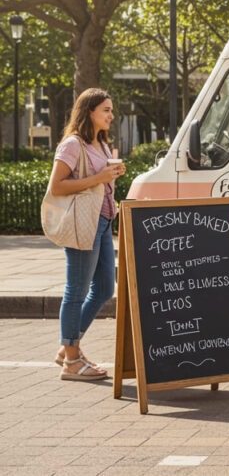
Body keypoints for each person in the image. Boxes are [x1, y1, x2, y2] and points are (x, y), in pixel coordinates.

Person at [48, 88, 126, 381]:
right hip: (83, 226)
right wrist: (99, 178)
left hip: (103, 224)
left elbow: (99, 183)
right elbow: (57, 186)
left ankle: (68, 346)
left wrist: (112, 176)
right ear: (89, 111)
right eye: (106, 109)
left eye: (111, 109)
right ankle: (71, 360)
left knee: (105, 288)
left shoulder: (102, 145)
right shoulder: (72, 145)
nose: (111, 115)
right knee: (76, 290)